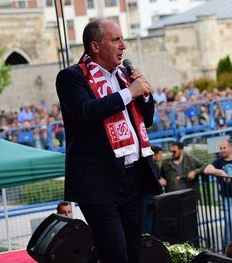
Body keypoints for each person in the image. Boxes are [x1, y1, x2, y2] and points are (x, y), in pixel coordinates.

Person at [55, 18, 161, 263]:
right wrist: (128, 93)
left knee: (134, 250)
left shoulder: (124, 76)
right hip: (99, 182)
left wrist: (143, 95)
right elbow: (84, 112)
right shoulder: (72, 77)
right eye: (116, 40)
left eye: (122, 39)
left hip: (132, 177)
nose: (123, 45)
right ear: (95, 46)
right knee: (115, 253)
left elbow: (145, 121)